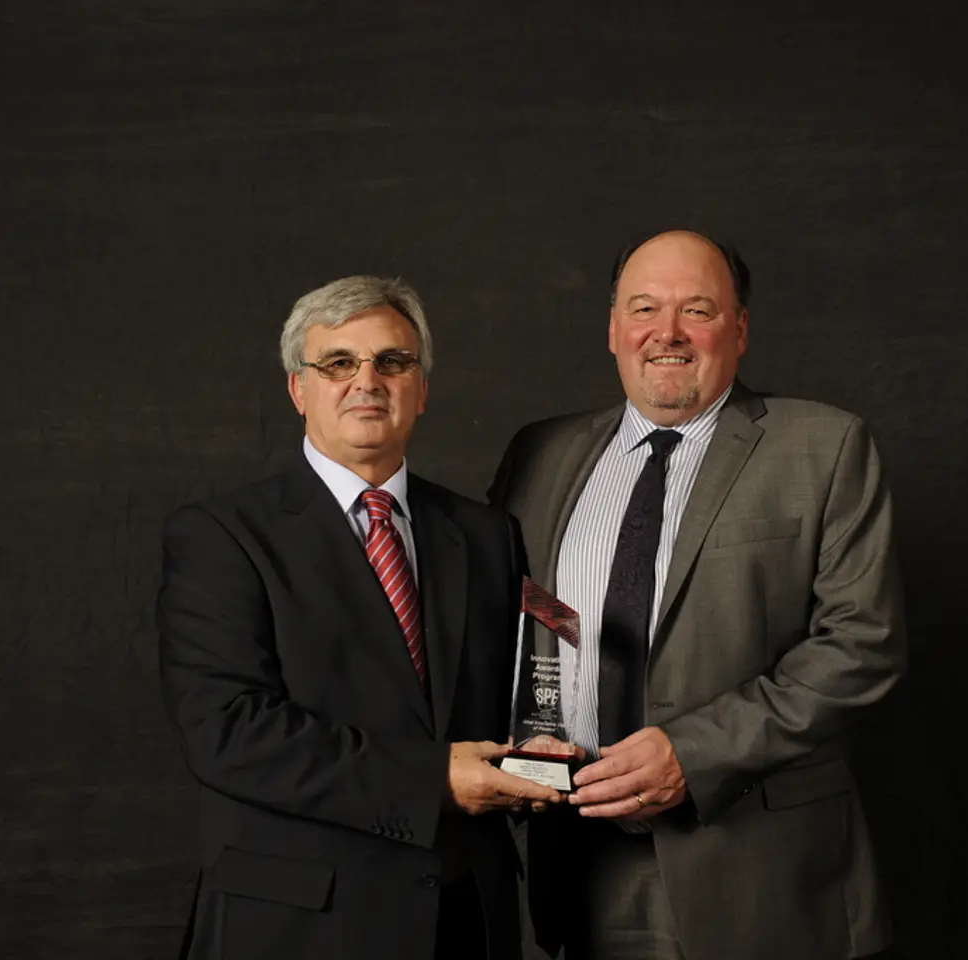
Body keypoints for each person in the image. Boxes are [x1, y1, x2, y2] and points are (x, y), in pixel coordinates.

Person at [489, 231, 907, 960]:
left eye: (698, 309)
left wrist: (694, 752)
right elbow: (537, 612)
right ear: (613, 329)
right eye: (644, 308)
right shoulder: (542, 453)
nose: (668, 332)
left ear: (739, 329)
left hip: (757, 864)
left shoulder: (824, 446)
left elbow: (861, 645)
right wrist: (531, 732)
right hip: (579, 859)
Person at [157, 275, 561, 960]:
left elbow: (511, 702)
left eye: (392, 361)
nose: (366, 381)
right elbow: (228, 732)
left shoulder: (486, 534)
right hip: (299, 926)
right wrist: (432, 779)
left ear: (421, 389)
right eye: (339, 362)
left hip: (464, 919)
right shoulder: (221, 536)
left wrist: (545, 751)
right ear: (299, 389)